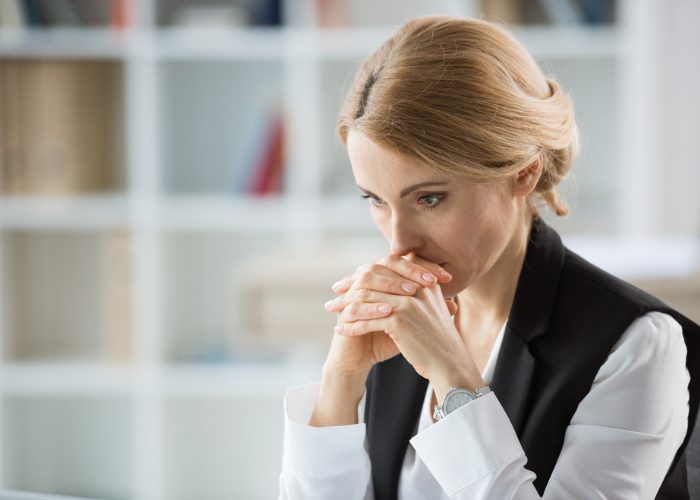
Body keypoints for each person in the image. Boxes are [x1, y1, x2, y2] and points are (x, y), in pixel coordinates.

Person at [277, 15, 700, 499]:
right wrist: (341, 384)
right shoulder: (396, 321)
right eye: (375, 200)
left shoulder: (636, 344)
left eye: (429, 199)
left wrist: (455, 380)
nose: (398, 243)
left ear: (523, 171)